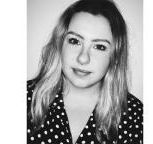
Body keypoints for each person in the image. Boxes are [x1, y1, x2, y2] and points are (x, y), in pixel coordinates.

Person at [27, 0, 143, 143]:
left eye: (99, 46)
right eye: (75, 41)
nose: (83, 58)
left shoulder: (136, 116)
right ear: (59, 44)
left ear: (115, 56)